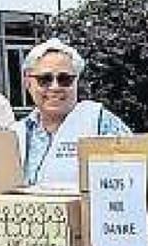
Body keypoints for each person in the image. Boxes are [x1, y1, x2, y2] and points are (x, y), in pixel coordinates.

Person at [16, 38, 132, 188]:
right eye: (45, 79)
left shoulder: (101, 123)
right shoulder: (16, 133)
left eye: (65, 79)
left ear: (77, 82)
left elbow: (131, 178)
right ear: (27, 82)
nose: (55, 87)